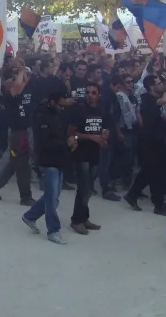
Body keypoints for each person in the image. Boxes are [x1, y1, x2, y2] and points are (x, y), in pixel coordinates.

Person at [22, 92, 75, 245]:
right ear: (52, 102)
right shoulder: (41, 117)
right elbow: (44, 143)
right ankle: (53, 230)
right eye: (60, 104)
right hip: (47, 162)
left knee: (53, 197)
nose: (62, 107)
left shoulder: (58, 114)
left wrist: (72, 141)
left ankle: (30, 216)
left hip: (59, 160)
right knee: (51, 199)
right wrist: (66, 143)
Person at [124, 75, 166, 216]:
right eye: (158, 83)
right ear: (151, 87)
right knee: (155, 172)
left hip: (158, 140)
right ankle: (156, 203)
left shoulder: (153, 100)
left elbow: (156, 114)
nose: (162, 85)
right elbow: (164, 101)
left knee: (150, 171)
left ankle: (136, 196)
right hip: (151, 141)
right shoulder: (148, 98)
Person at [0, 65, 35, 204]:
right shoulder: (10, 96)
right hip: (16, 135)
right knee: (23, 165)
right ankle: (25, 197)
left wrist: (22, 67)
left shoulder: (19, 91)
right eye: (11, 80)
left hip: (23, 132)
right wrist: (20, 71)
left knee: (15, 163)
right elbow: (19, 84)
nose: (15, 81)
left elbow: (24, 82)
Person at [68, 82, 106, 235]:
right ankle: (76, 220)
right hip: (81, 153)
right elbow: (71, 133)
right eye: (88, 92)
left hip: (95, 153)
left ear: (99, 95)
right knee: (83, 187)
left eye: (93, 92)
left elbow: (106, 126)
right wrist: (90, 136)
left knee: (89, 188)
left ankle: (84, 217)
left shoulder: (102, 110)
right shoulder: (79, 109)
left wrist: (105, 134)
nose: (90, 94)